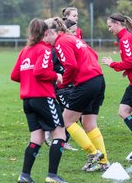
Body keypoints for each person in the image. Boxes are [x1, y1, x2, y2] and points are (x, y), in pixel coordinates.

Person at [11, 18, 72, 183]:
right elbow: (40, 72)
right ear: (45, 32)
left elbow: (15, 75)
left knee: (36, 138)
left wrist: (28, 80)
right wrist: (56, 76)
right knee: (59, 134)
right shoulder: (44, 50)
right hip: (43, 98)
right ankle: (52, 175)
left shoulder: (25, 51)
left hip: (27, 100)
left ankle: (25, 176)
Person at [45, 17, 109, 172]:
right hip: (98, 80)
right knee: (89, 123)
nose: (44, 40)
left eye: (44, 35)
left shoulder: (61, 42)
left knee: (66, 120)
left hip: (86, 83)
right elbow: (93, 54)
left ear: (50, 32)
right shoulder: (72, 38)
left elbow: (71, 65)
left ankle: (93, 153)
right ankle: (104, 162)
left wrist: (63, 83)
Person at [101, 13, 132, 162]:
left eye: (110, 26)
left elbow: (130, 61)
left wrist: (113, 64)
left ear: (118, 24)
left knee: (124, 111)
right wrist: (126, 71)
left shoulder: (125, 39)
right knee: (124, 110)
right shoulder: (125, 38)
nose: (109, 29)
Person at [44, 19, 78, 151]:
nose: (74, 32)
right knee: (67, 114)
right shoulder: (57, 47)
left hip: (69, 85)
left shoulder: (66, 42)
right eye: (72, 29)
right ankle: (56, 136)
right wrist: (60, 80)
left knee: (71, 115)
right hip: (61, 87)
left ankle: (58, 137)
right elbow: (47, 67)